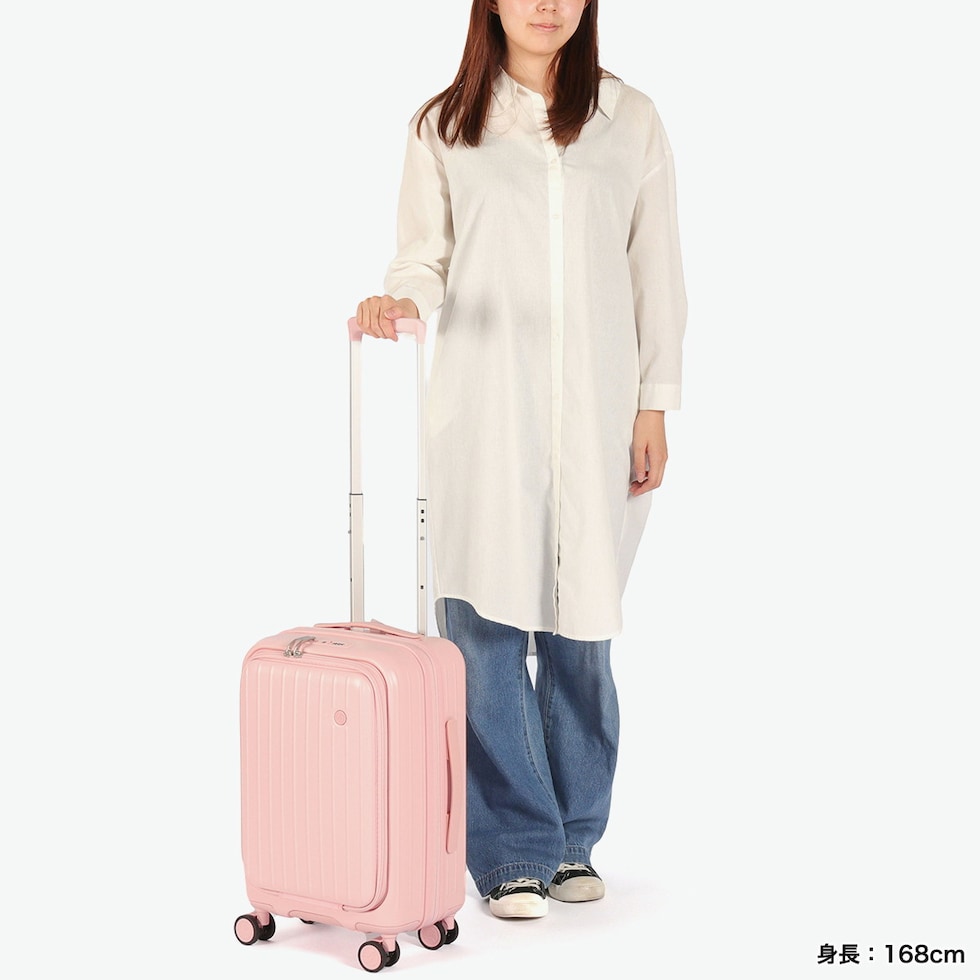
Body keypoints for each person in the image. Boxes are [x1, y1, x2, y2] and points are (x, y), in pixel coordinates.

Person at [354, 0, 686, 920]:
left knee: (583, 633)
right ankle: (511, 849)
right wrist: (398, 301)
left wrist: (655, 401)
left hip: (599, 412)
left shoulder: (629, 119)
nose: (547, 5)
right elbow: (423, 256)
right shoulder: (444, 124)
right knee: (484, 632)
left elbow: (657, 271)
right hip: (484, 412)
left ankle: (574, 837)